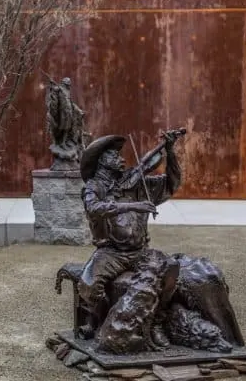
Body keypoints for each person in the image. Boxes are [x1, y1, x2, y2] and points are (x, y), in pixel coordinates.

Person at [76, 129, 184, 346]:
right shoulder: (94, 187)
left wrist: (169, 151)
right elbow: (94, 208)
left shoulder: (137, 185)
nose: (121, 159)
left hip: (140, 251)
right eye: (115, 156)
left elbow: (173, 183)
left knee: (170, 268)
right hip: (111, 252)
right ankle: (101, 321)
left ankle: (156, 323)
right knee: (88, 284)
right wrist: (134, 205)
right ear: (103, 161)